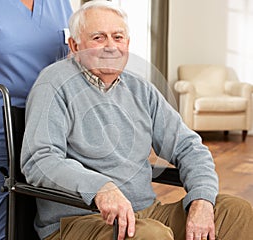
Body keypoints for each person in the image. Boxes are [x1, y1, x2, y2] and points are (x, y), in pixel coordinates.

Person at [21, 1, 253, 240]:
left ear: (127, 44)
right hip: (80, 221)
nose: (111, 46)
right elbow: (39, 159)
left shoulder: (141, 89)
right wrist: (100, 187)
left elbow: (188, 147)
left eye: (118, 37)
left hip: (144, 213)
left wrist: (202, 199)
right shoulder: (54, 83)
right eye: (98, 38)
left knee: (235, 212)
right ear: (75, 45)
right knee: (152, 235)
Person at [0, 0, 72, 239]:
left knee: (50, 226)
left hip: (50, 128)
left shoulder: (58, 2)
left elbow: (72, 52)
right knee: (6, 229)